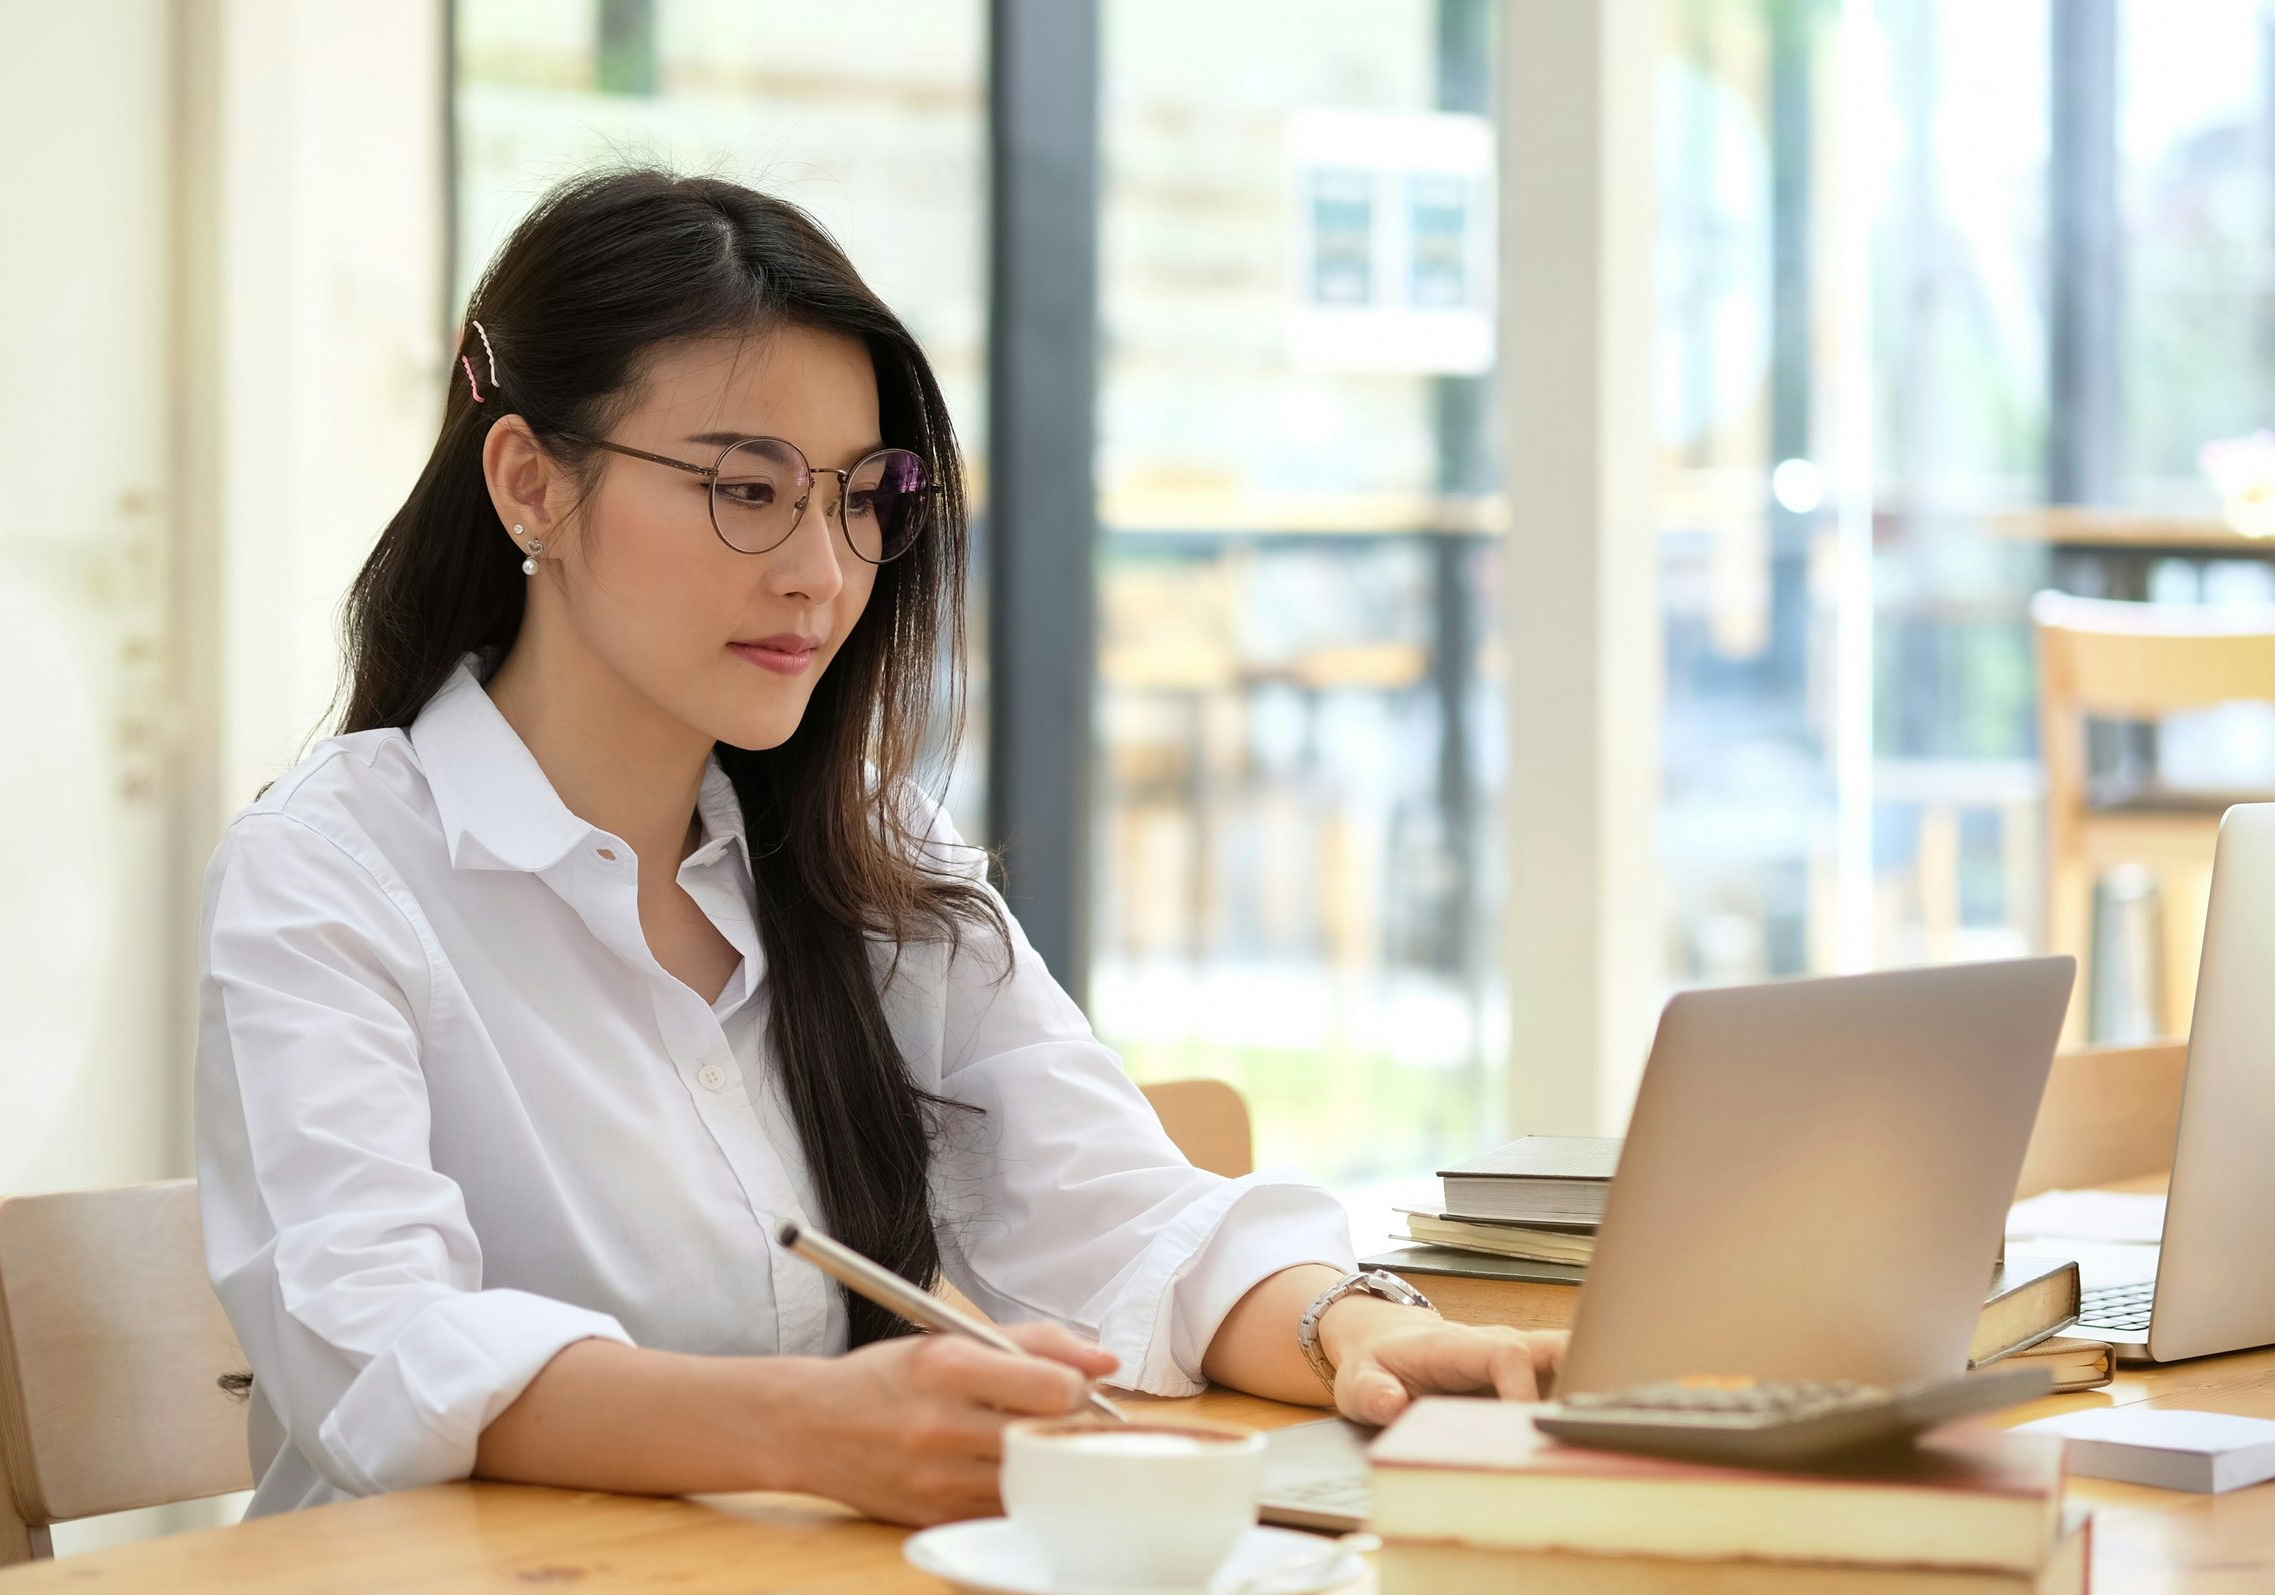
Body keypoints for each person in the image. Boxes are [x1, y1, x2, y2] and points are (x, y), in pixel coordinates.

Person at [194, 167, 1563, 1526]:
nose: (825, 570)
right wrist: (810, 1431)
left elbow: (1112, 1213)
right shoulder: (332, 871)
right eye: (748, 489)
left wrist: (1360, 1339)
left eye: (860, 498)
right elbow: (377, 1349)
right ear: (530, 484)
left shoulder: (864, 849)